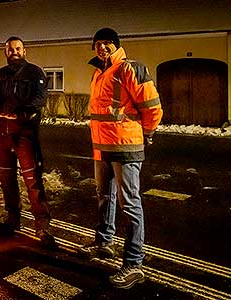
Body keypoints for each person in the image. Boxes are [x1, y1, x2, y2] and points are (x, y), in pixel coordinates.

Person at [78, 28, 163, 289]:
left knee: (130, 204)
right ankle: (104, 242)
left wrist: (145, 133)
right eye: (98, 44)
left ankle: (135, 264)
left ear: (116, 46)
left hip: (126, 146)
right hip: (102, 148)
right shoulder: (98, 73)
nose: (102, 48)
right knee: (105, 196)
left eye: (107, 43)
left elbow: (153, 108)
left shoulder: (130, 68)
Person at [0, 36, 56, 248]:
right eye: (10, 49)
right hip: (0, 133)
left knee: (32, 180)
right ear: (6, 52)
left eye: (18, 48)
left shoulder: (34, 72)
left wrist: (21, 115)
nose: (14, 51)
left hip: (25, 134)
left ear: (24, 51)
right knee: (6, 179)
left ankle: (42, 225)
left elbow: (39, 99)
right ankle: (13, 218)